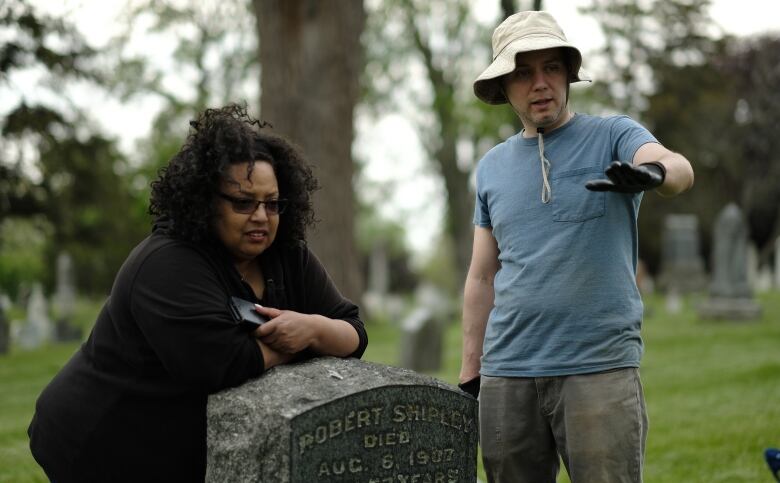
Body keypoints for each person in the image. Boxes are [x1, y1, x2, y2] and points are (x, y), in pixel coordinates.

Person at [28, 104, 368, 482]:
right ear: (206, 201)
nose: (261, 216)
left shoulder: (287, 254)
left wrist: (315, 329)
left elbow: (353, 330)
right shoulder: (166, 262)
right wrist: (304, 341)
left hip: (178, 440)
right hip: (101, 436)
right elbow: (221, 364)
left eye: (272, 204)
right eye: (243, 202)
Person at [458, 11, 694, 483]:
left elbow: (677, 166)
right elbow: (483, 275)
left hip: (598, 367)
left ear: (569, 74)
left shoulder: (613, 135)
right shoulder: (491, 167)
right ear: (504, 86)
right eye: (523, 72)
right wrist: (471, 372)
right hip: (507, 374)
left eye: (551, 68)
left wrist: (654, 174)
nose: (540, 83)